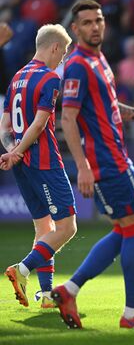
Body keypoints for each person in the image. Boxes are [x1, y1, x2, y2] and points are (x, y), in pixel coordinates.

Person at [51, 0, 134, 330]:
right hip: (105, 162)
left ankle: (69, 289)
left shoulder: (98, 59)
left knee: (125, 229)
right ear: (75, 29)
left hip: (117, 156)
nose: (95, 26)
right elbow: (67, 117)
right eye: (87, 22)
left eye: (99, 20)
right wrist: (82, 166)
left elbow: (109, 104)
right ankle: (132, 314)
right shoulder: (78, 64)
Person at [1, 24, 76, 309]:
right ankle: (21, 270)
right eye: (64, 52)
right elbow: (40, 123)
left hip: (22, 165)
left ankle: (45, 295)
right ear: (54, 47)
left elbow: (5, 126)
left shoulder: (17, 78)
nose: (64, 59)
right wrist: (19, 151)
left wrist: (12, 152)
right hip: (44, 162)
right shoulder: (49, 78)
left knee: (44, 227)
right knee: (67, 227)